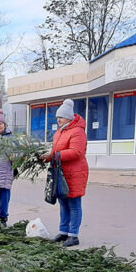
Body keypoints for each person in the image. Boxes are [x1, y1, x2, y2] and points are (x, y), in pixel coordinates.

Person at [40, 98, 89, 247]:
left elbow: (77, 152)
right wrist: (46, 158)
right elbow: (56, 151)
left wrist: (54, 156)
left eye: (60, 117)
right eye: (58, 117)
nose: (58, 120)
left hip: (75, 174)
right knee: (63, 204)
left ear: (68, 117)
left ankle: (73, 236)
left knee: (74, 204)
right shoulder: (60, 132)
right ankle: (63, 232)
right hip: (61, 173)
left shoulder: (77, 132)